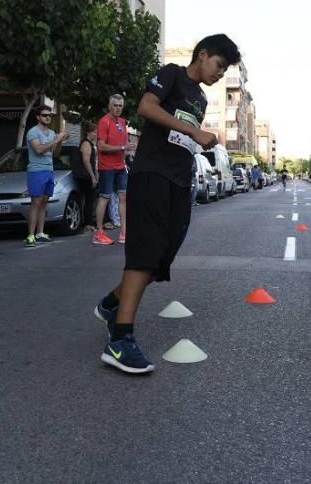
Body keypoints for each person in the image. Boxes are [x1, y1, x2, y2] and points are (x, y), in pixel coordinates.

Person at [93, 33, 241, 374]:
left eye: (224, 70)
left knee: (162, 257)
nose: (220, 74)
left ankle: (112, 303)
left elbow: (185, 138)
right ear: (202, 55)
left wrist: (195, 141)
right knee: (145, 251)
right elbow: (146, 107)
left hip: (180, 181)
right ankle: (120, 340)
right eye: (219, 65)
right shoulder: (172, 74)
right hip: (152, 174)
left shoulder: (201, 100)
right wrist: (192, 133)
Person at [24, 105, 69, 247]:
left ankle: (40, 233)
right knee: (35, 203)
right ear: (38, 117)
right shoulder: (33, 132)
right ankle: (30, 235)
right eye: (44, 115)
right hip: (36, 171)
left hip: (49, 170)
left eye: (50, 115)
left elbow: (55, 153)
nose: (48, 117)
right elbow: (38, 150)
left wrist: (60, 140)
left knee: (44, 202)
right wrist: (56, 140)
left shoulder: (51, 133)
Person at [93, 95, 133, 246]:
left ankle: (124, 232)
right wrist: (122, 148)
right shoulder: (104, 121)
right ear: (110, 106)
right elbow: (101, 146)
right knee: (105, 197)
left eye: (120, 105)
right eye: (115, 105)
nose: (118, 108)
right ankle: (99, 233)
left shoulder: (122, 122)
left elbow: (123, 144)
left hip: (120, 166)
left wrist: (127, 149)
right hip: (106, 167)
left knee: (123, 197)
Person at [72, 121, 98, 231]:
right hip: (85, 176)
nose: (96, 134)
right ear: (88, 133)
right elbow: (86, 161)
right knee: (89, 200)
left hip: (84, 175)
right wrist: (93, 176)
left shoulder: (88, 143)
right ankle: (88, 224)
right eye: (94, 132)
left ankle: (86, 223)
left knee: (88, 200)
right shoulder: (86, 143)